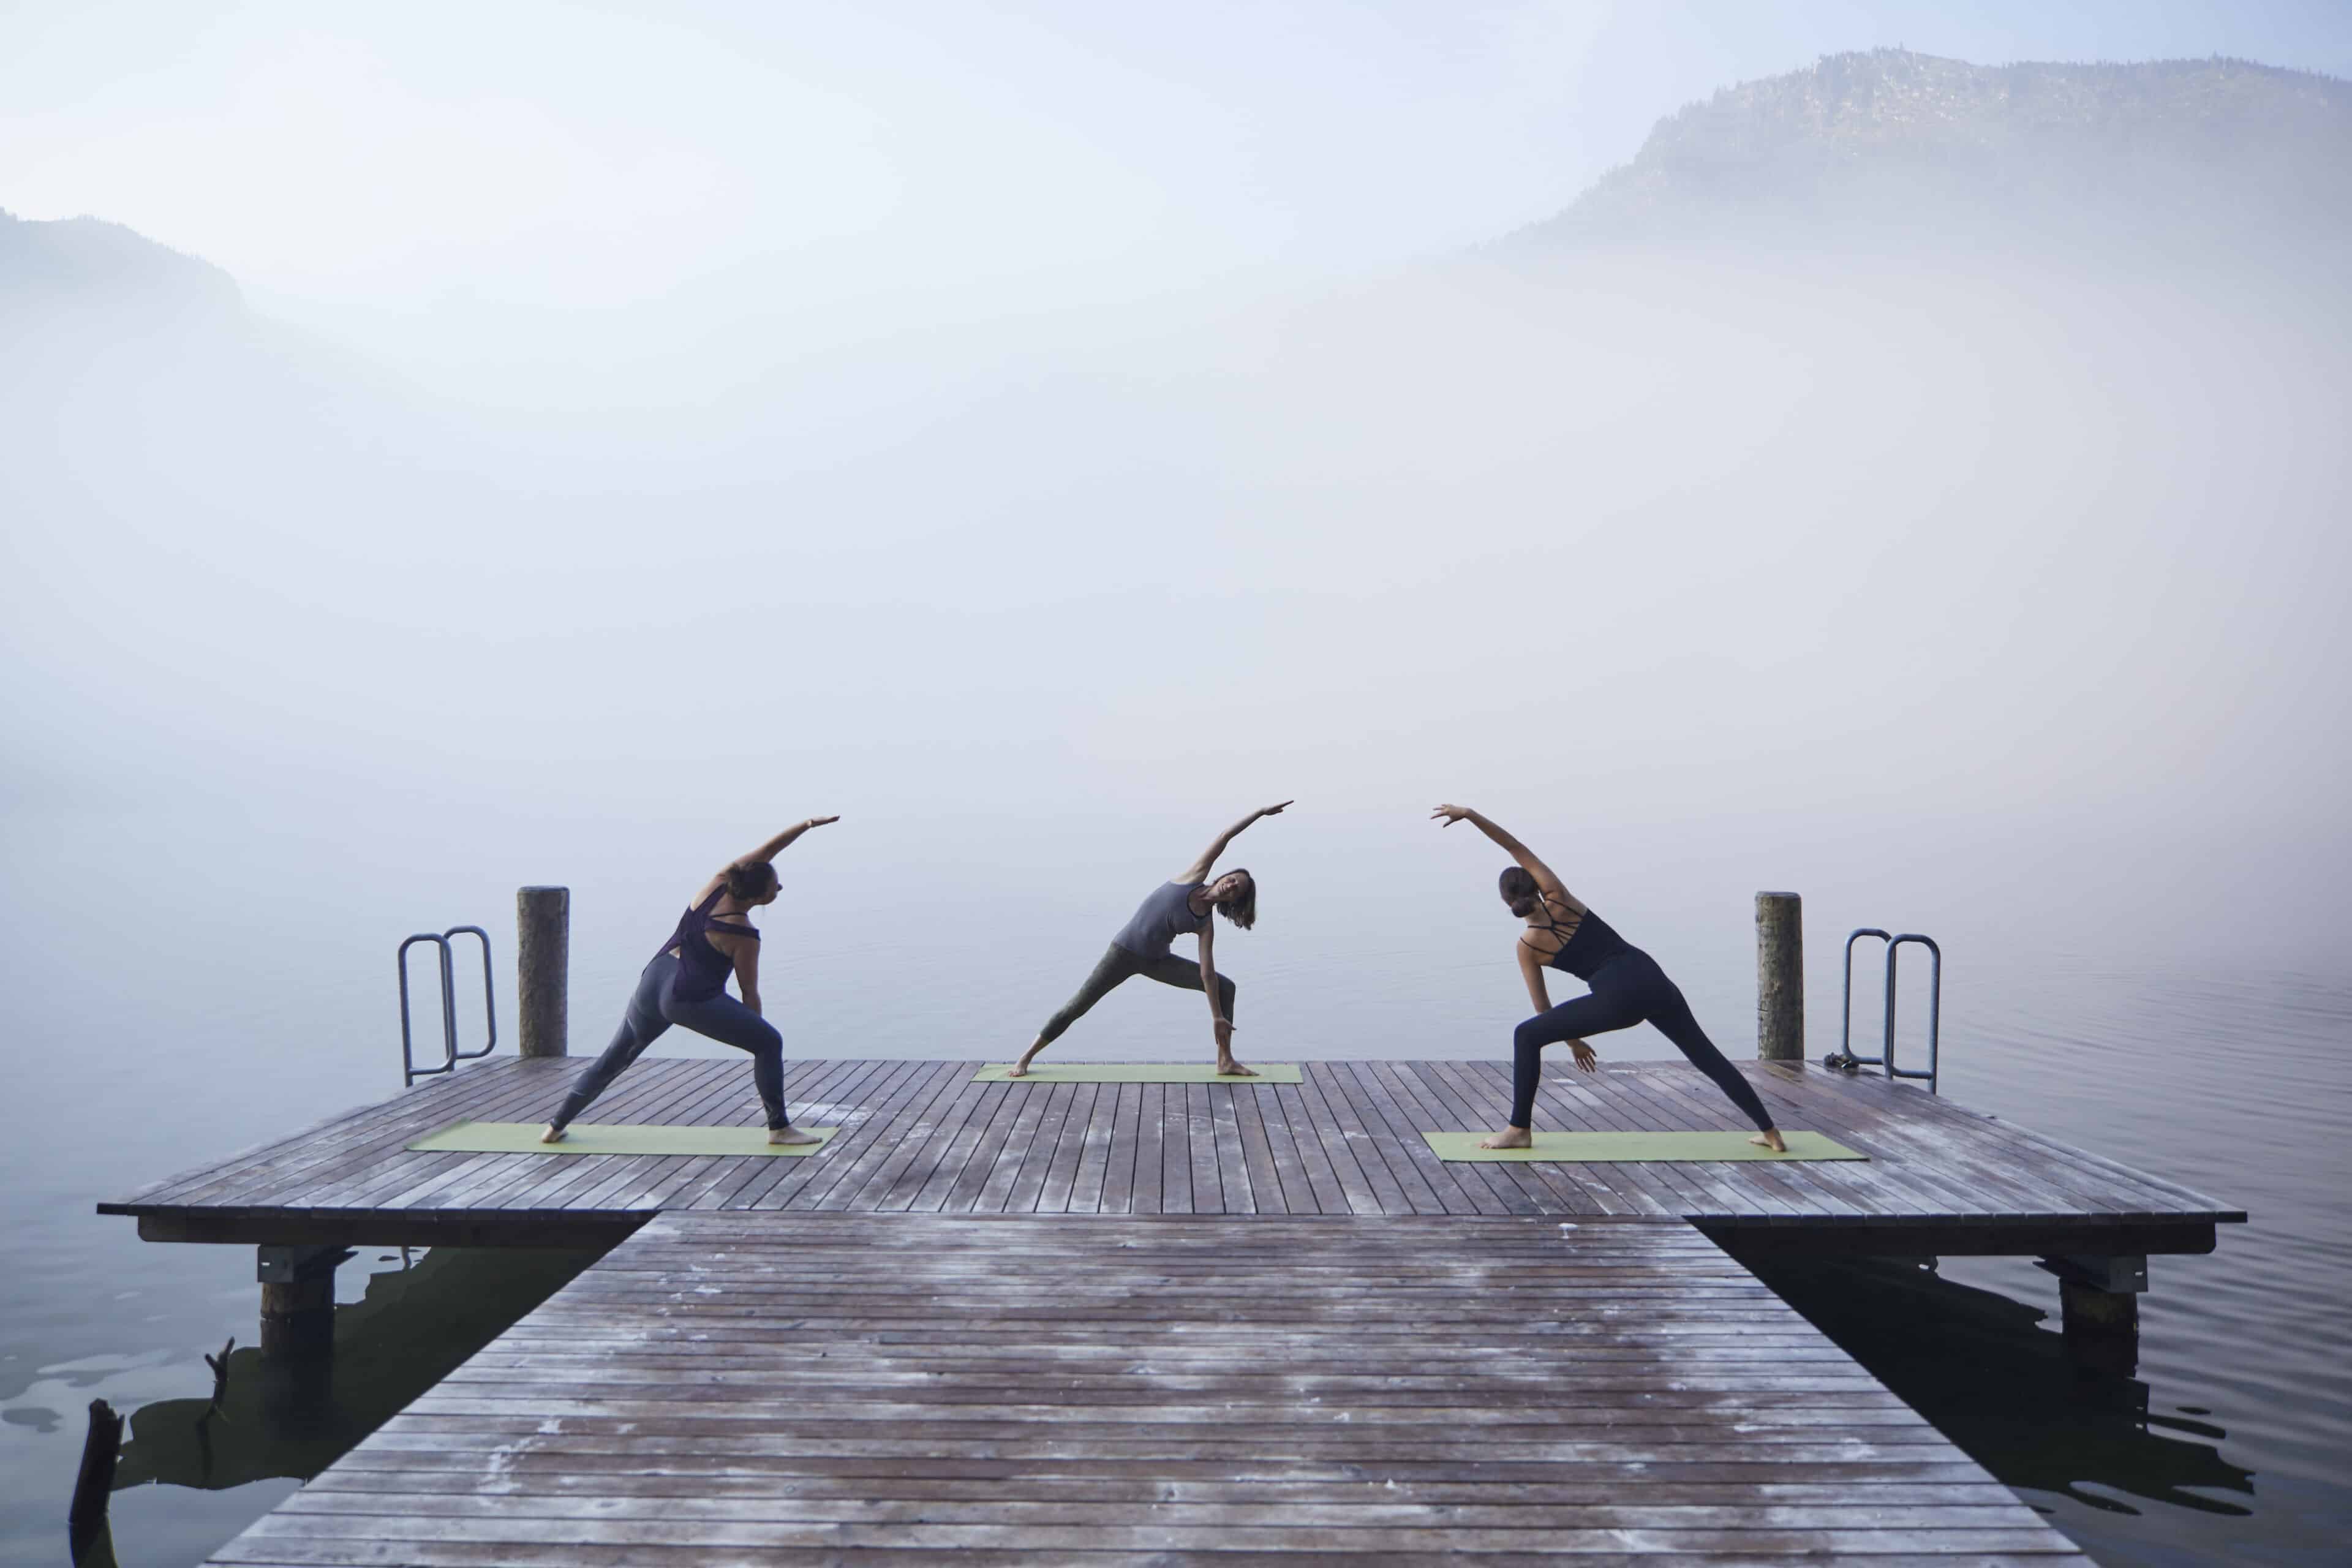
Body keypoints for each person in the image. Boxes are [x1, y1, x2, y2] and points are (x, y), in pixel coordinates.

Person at [1430, 804, 1787, 1153]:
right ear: (1535, 887)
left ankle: (1518, 1129)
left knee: (1526, 1036)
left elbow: (1544, 1009)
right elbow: (1515, 847)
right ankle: (1771, 1133)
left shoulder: (1528, 946)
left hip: (1618, 998)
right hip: (1650, 976)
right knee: (1705, 1055)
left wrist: (1574, 1042)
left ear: (1506, 902)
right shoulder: (1560, 897)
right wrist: (1472, 815)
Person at [541, 817, 839, 1145]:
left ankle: (555, 1126)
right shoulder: (744, 934)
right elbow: (748, 992)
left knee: (616, 1056)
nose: (779, 888)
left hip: (653, 979)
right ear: (757, 897)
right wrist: (755, 1033)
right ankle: (779, 1128)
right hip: (686, 997)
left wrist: (807, 825)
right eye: (774, 888)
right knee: (770, 1043)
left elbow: (768, 850)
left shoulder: (717, 883)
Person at [1010, 802, 1292, 1079]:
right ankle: (1026, 1057)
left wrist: (1217, 1016)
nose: (1231, 885)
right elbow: (1224, 838)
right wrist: (1259, 814)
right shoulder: (1194, 877)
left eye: (1236, 890)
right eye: (1232, 879)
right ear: (1224, 876)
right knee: (1078, 1006)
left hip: (1157, 961)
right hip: (1122, 953)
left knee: (1225, 987)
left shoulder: (1205, 924)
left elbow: (1207, 973)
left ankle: (1225, 1060)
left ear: (1234, 900)